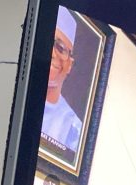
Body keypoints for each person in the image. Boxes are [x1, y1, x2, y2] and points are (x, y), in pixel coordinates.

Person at [40, 6, 82, 155]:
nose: (51, 53)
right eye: (47, 40)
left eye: (60, 47)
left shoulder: (73, 128)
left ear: (70, 64)